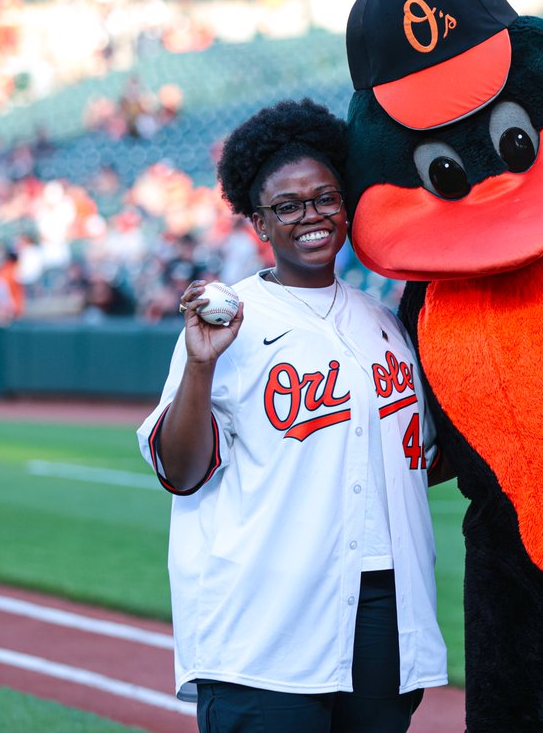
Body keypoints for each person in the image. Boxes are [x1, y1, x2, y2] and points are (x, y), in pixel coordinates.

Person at [136, 98, 448, 732]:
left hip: (383, 613)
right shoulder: (231, 322)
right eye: (288, 205)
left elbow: (422, 459)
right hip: (265, 620)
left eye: (326, 198)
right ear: (259, 224)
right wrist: (199, 365)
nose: (313, 216)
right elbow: (182, 469)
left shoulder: (384, 325)